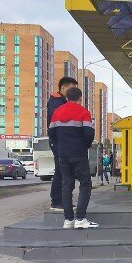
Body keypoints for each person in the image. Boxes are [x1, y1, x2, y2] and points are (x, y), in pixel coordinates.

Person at [49, 86, 98, 229]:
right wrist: (84, 146)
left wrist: (60, 147)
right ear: (80, 98)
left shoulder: (57, 112)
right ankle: (80, 218)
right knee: (85, 184)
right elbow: (89, 133)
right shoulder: (83, 112)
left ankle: (68, 220)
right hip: (79, 153)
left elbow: (51, 134)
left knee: (66, 185)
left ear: (67, 97)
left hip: (63, 154)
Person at [47, 76, 79, 212]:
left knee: (66, 171)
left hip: (64, 141)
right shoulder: (56, 102)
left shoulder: (62, 101)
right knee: (61, 170)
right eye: (72, 89)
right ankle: (56, 202)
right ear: (64, 87)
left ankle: (64, 201)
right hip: (58, 141)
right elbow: (60, 119)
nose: (74, 92)